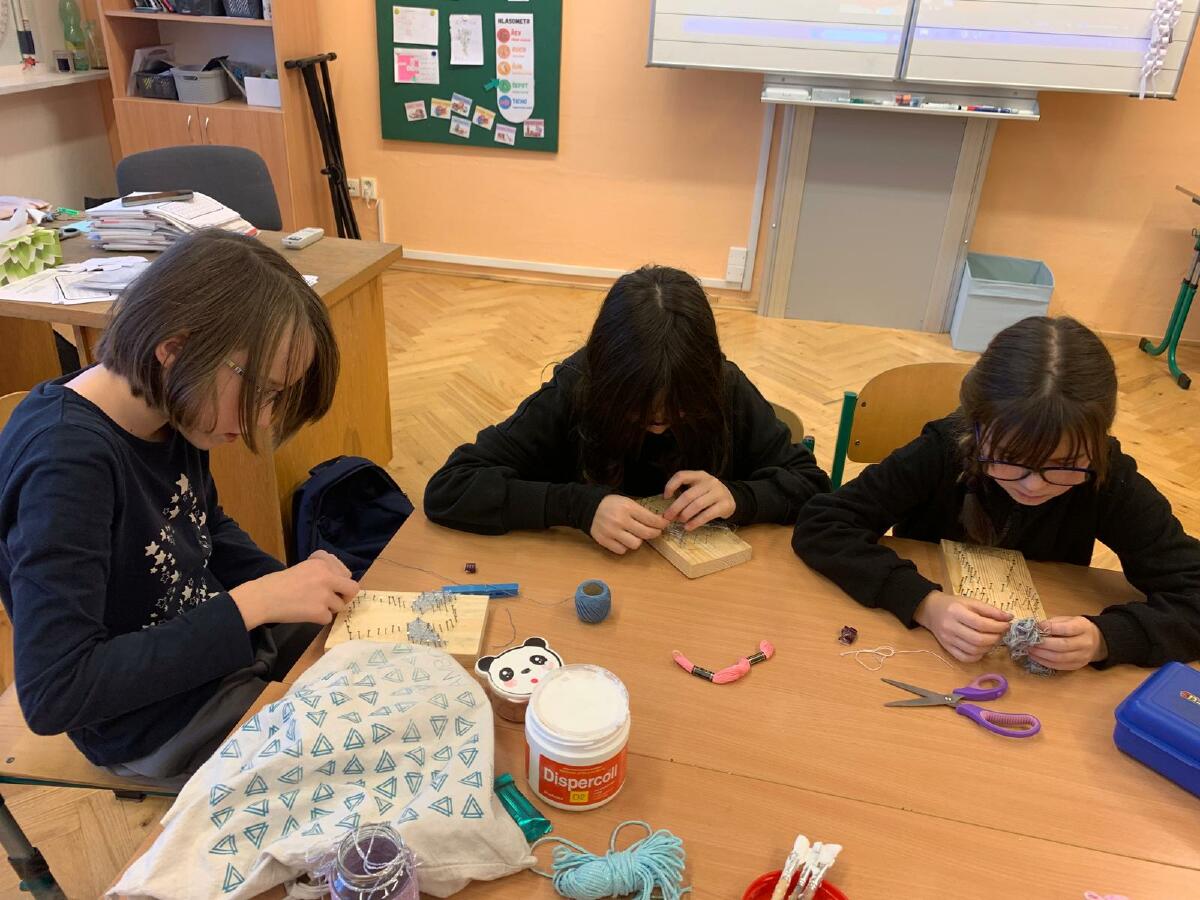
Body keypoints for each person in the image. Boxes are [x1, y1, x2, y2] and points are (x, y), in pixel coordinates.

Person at [0, 230, 357, 782]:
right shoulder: (65, 464)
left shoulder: (169, 409)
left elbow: (202, 527)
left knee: (378, 655)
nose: (265, 419)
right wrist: (254, 603)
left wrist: (289, 584)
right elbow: (56, 690)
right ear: (175, 349)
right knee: (362, 758)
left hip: (219, 653)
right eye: (263, 392)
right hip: (155, 722)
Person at [792, 316, 1200, 670]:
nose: (1034, 484)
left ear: (1097, 443)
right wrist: (923, 603)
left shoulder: (1107, 476)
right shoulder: (943, 451)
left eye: (1065, 465)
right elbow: (823, 523)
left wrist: (1106, 637)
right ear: (976, 430)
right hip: (923, 654)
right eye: (1009, 459)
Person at [424, 265, 830, 552]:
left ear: (703, 382)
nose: (659, 422)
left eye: (679, 407)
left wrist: (739, 496)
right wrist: (580, 507)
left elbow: (812, 486)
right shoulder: (576, 388)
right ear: (608, 382)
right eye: (638, 407)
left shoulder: (725, 388)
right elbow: (450, 488)